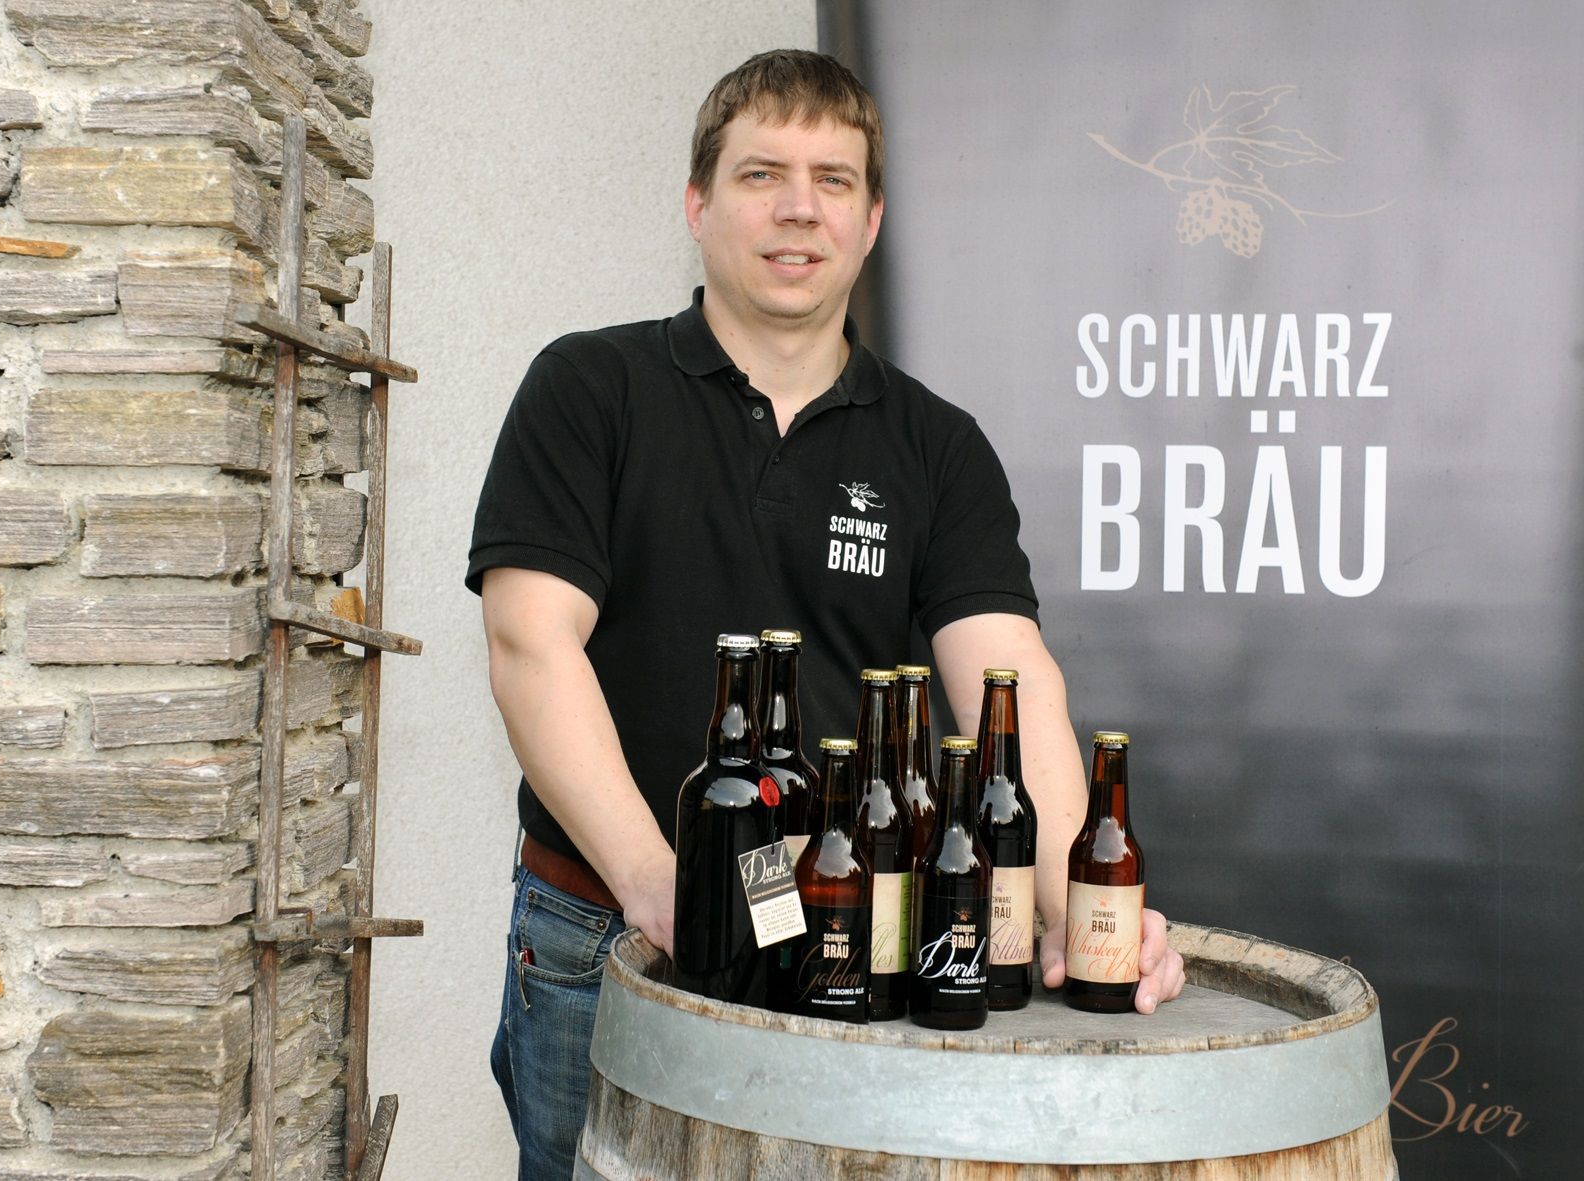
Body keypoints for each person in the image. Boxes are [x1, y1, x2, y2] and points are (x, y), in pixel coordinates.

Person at [466, 49, 1186, 1178]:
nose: (798, 207)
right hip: (604, 930)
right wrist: (668, 886)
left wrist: (1075, 902)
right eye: (761, 174)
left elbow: (1009, 680)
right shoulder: (587, 390)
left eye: (832, 179)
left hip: (860, 933)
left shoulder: (935, 446)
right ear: (696, 202)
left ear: (872, 218)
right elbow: (529, 645)